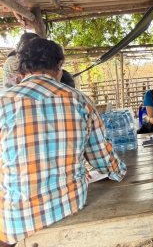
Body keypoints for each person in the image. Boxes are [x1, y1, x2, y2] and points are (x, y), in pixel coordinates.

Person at [0, 38, 127, 246]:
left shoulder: (3, 102)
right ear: (59, 66)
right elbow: (102, 158)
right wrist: (119, 171)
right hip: (68, 204)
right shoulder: (80, 101)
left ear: (22, 67)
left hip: (17, 217)